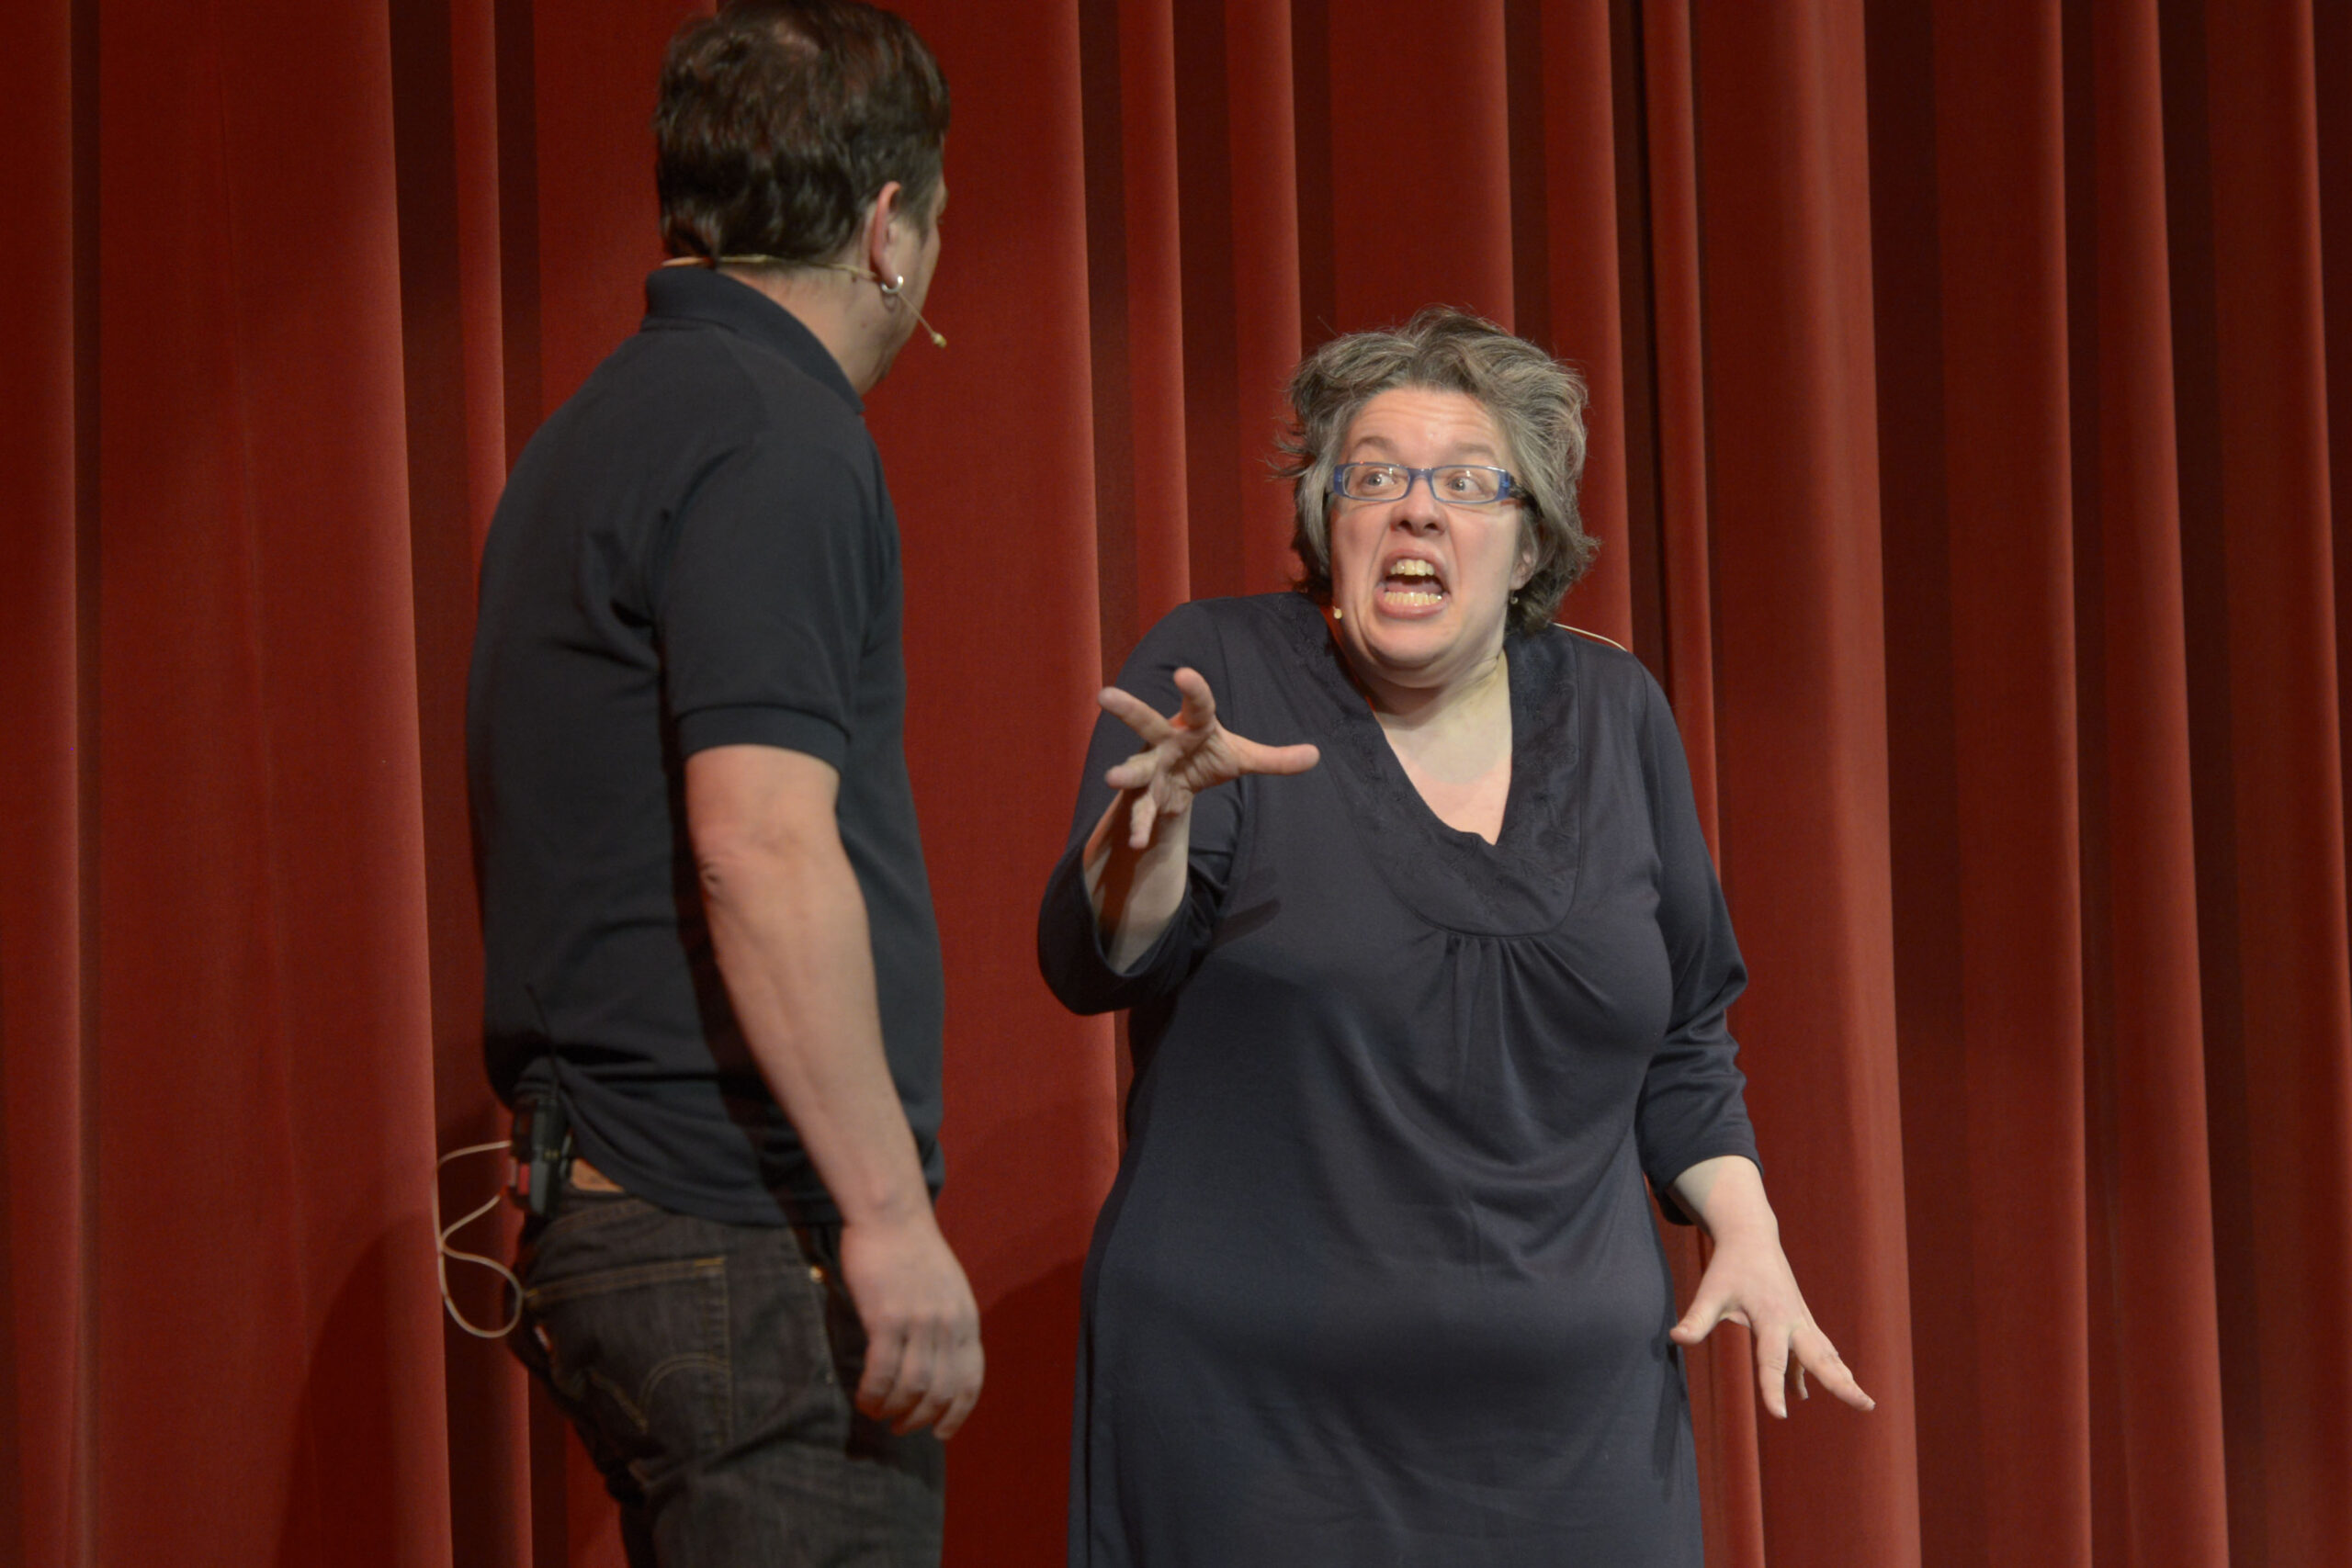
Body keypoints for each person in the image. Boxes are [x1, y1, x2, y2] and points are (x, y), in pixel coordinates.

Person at [1037, 309, 1871, 1564]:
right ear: (1330, 521)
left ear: (1530, 541)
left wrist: (1745, 1231)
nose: (1414, 510)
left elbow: (1685, 1033)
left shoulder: (1616, 712)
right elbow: (1102, 961)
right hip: (1261, 1441)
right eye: (1373, 476)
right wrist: (1146, 835)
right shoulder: (1219, 671)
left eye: (1466, 484)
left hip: (1574, 1447)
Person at [466, 4, 978, 1562]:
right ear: (888, 226)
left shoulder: (598, 428)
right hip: (745, 1243)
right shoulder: (777, 438)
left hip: (630, 1223)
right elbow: (757, 840)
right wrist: (888, 1224)